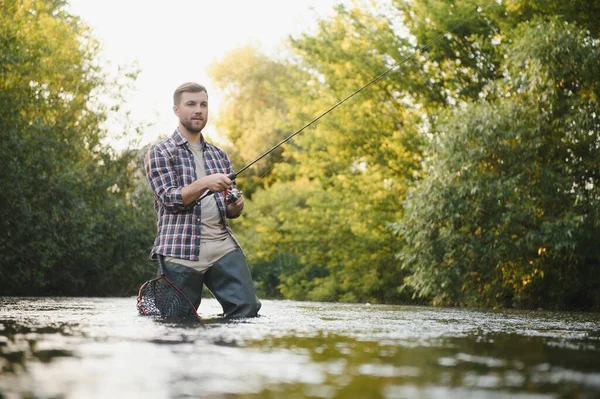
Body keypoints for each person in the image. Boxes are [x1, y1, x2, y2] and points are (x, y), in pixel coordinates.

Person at [144, 82, 261, 318]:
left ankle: (222, 353)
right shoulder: (160, 152)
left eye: (203, 104)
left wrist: (235, 205)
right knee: (177, 321)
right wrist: (205, 183)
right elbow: (169, 199)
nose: (198, 110)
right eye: (191, 104)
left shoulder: (220, 155)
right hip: (179, 248)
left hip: (221, 245)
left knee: (247, 311)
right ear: (176, 110)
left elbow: (231, 208)